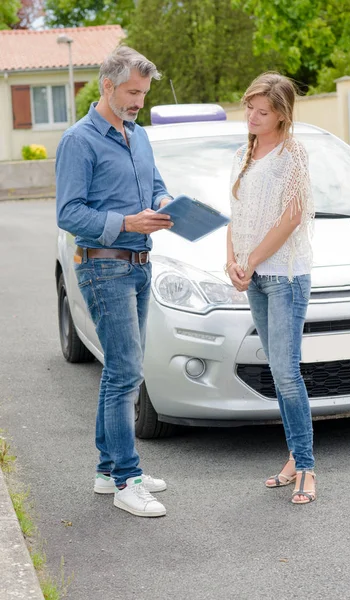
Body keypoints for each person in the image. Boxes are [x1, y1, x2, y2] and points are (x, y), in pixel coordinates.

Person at [56, 46, 174, 518]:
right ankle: (127, 478)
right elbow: (69, 213)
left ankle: (108, 472)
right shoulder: (78, 141)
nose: (138, 102)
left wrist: (166, 204)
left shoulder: (138, 135)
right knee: (127, 371)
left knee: (122, 370)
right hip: (104, 266)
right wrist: (128, 222)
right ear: (107, 85)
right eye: (132, 92)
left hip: (140, 264)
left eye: (143, 94)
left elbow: (155, 186)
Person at [226, 73, 316, 504]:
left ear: (282, 115)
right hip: (256, 278)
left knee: (286, 372)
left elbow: (291, 218)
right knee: (278, 374)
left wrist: (252, 260)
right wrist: (233, 262)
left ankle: (307, 466)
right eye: (249, 109)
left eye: (263, 112)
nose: (253, 117)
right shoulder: (244, 152)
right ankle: (294, 459)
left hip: (286, 277)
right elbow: (236, 214)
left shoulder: (292, 156)